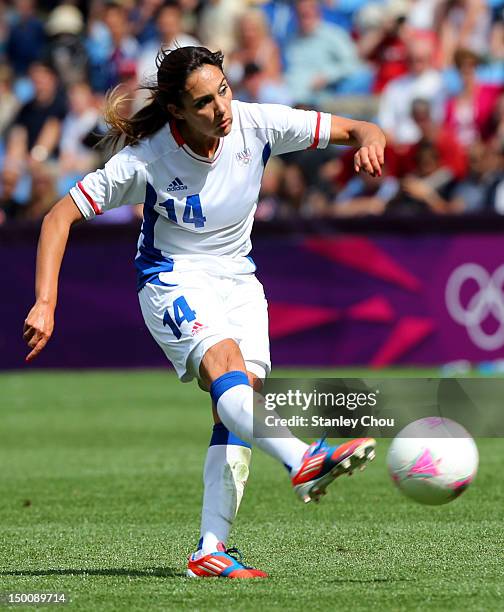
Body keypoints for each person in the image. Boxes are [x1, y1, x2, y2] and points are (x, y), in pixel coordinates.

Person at [23, 46, 385, 579]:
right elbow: (59, 216)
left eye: (224, 90)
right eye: (204, 102)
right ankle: (303, 460)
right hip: (172, 278)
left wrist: (372, 140)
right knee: (227, 372)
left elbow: (360, 129)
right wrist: (46, 301)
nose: (221, 108)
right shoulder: (145, 159)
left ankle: (209, 551)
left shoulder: (257, 123)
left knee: (238, 407)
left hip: (239, 280)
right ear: (178, 113)